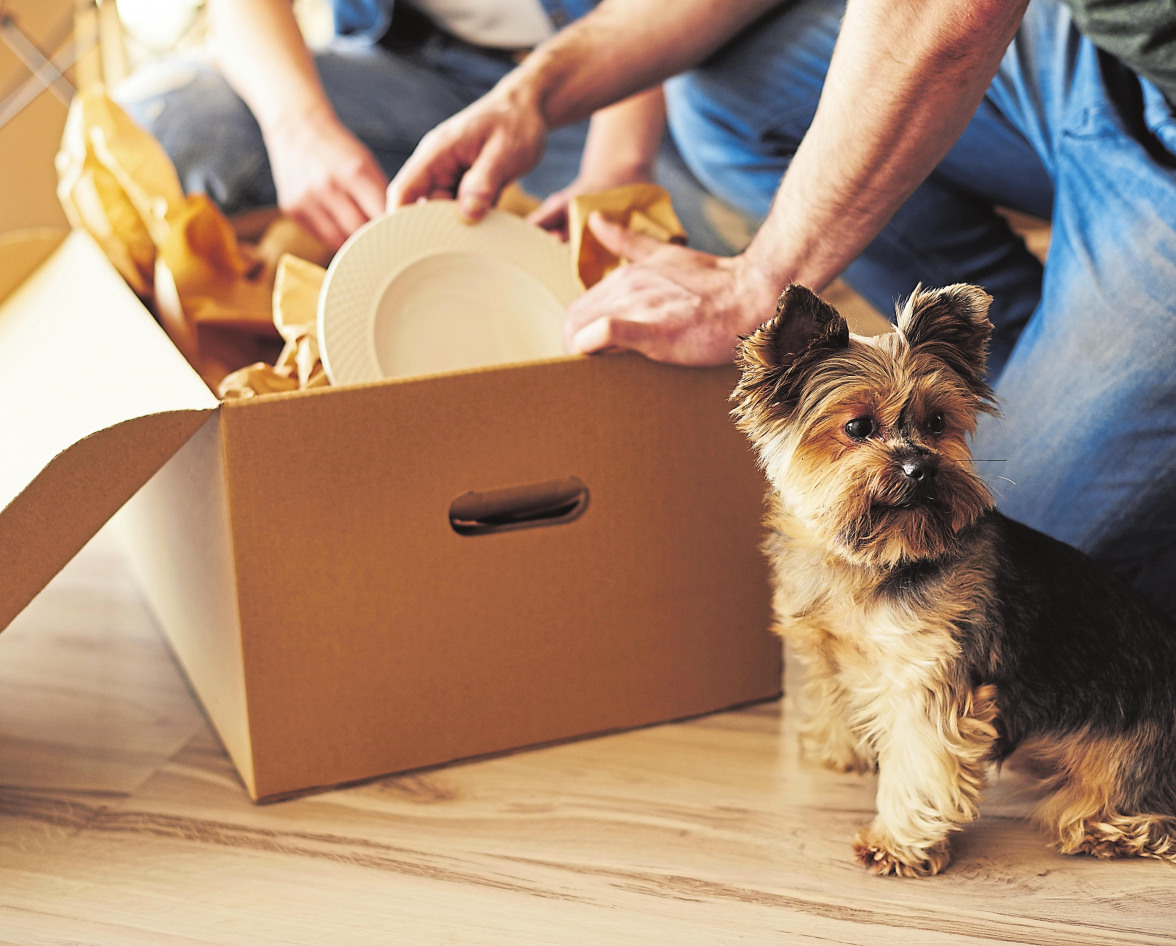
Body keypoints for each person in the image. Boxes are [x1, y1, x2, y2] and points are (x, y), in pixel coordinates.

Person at [388, 0, 1176, 617]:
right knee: (722, 95)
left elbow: (947, 14)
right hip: (1086, 54)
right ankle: (1014, 378)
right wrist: (533, 96)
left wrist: (757, 279)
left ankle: (1094, 404)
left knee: (996, 553)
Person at [115, 0, 734, 253]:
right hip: (421, 66)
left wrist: (615, 171)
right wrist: (299, 129)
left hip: (636, 74)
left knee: (678, 256)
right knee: (162, 124)